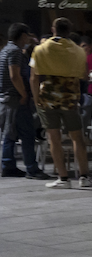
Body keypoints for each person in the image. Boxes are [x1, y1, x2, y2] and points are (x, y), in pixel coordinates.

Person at [29, 18, 92, 189]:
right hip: (70, 96)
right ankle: (84, 176)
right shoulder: (79, 51)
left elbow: (34, 77)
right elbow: (85, 75)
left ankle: (63, 178)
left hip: (48, 97)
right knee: (77, 137)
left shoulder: (40, 49)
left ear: (53, 29)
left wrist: (36, 99)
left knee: (53, 138)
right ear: (69, 30)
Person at [0, 24, 47, 179]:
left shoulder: (5, 50)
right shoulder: (15, 52)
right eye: (27, 35)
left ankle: (8, 165)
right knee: (26, 134)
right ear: (22, 36)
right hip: (16, 98)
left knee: (9, 133)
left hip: (6, 98)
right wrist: (24, 94)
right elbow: (15, 75)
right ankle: (31, 168)